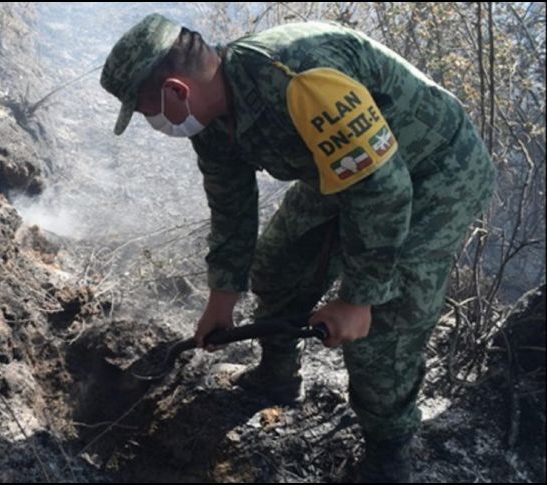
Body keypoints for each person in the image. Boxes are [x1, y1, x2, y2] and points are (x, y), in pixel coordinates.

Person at [100, 13, 495, 482]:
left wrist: (359, 298)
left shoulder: (300, 80)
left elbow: (384, 190)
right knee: (278, 266)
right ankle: (277, 376)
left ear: (176, 90)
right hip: (347, 167)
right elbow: (231, 207)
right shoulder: (211, 119)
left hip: (435, 171)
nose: (153, 123)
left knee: (383, 326)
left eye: (147, 112)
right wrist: (221, 298)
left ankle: (387, 453)